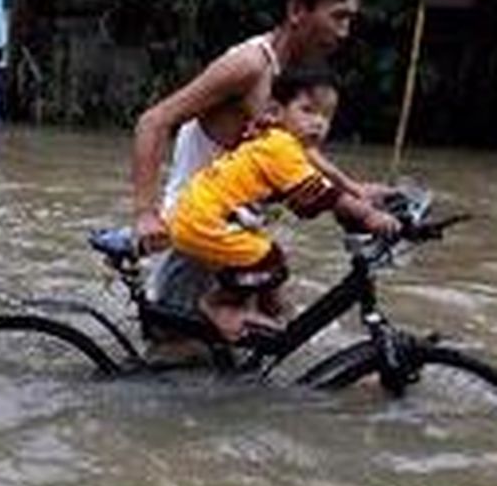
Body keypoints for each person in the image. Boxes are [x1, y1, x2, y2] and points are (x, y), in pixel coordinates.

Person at [131, 0, 390, 316]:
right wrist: (145, 213)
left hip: (236, 236)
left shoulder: (293, 78)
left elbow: (295, 156)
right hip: (197, 240)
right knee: (178, 363)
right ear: (298, 10)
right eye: (338, 17)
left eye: (350, 20)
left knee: (277, 335)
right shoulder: (250, 65)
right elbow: (153, 121)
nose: (344, 32)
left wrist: (353, 189)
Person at [166, 68, 400, 341]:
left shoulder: (278, 144)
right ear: (276, 112)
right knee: (270, 262)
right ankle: (218, 304)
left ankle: (270, 310)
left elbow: (308, 198)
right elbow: (325, 195)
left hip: (207, 216)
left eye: (327, 116)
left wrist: (355, 198)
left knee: (269, 270)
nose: (318, 123)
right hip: (205, 221)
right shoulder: (281, 147)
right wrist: (370, 216)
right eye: (308, 110)